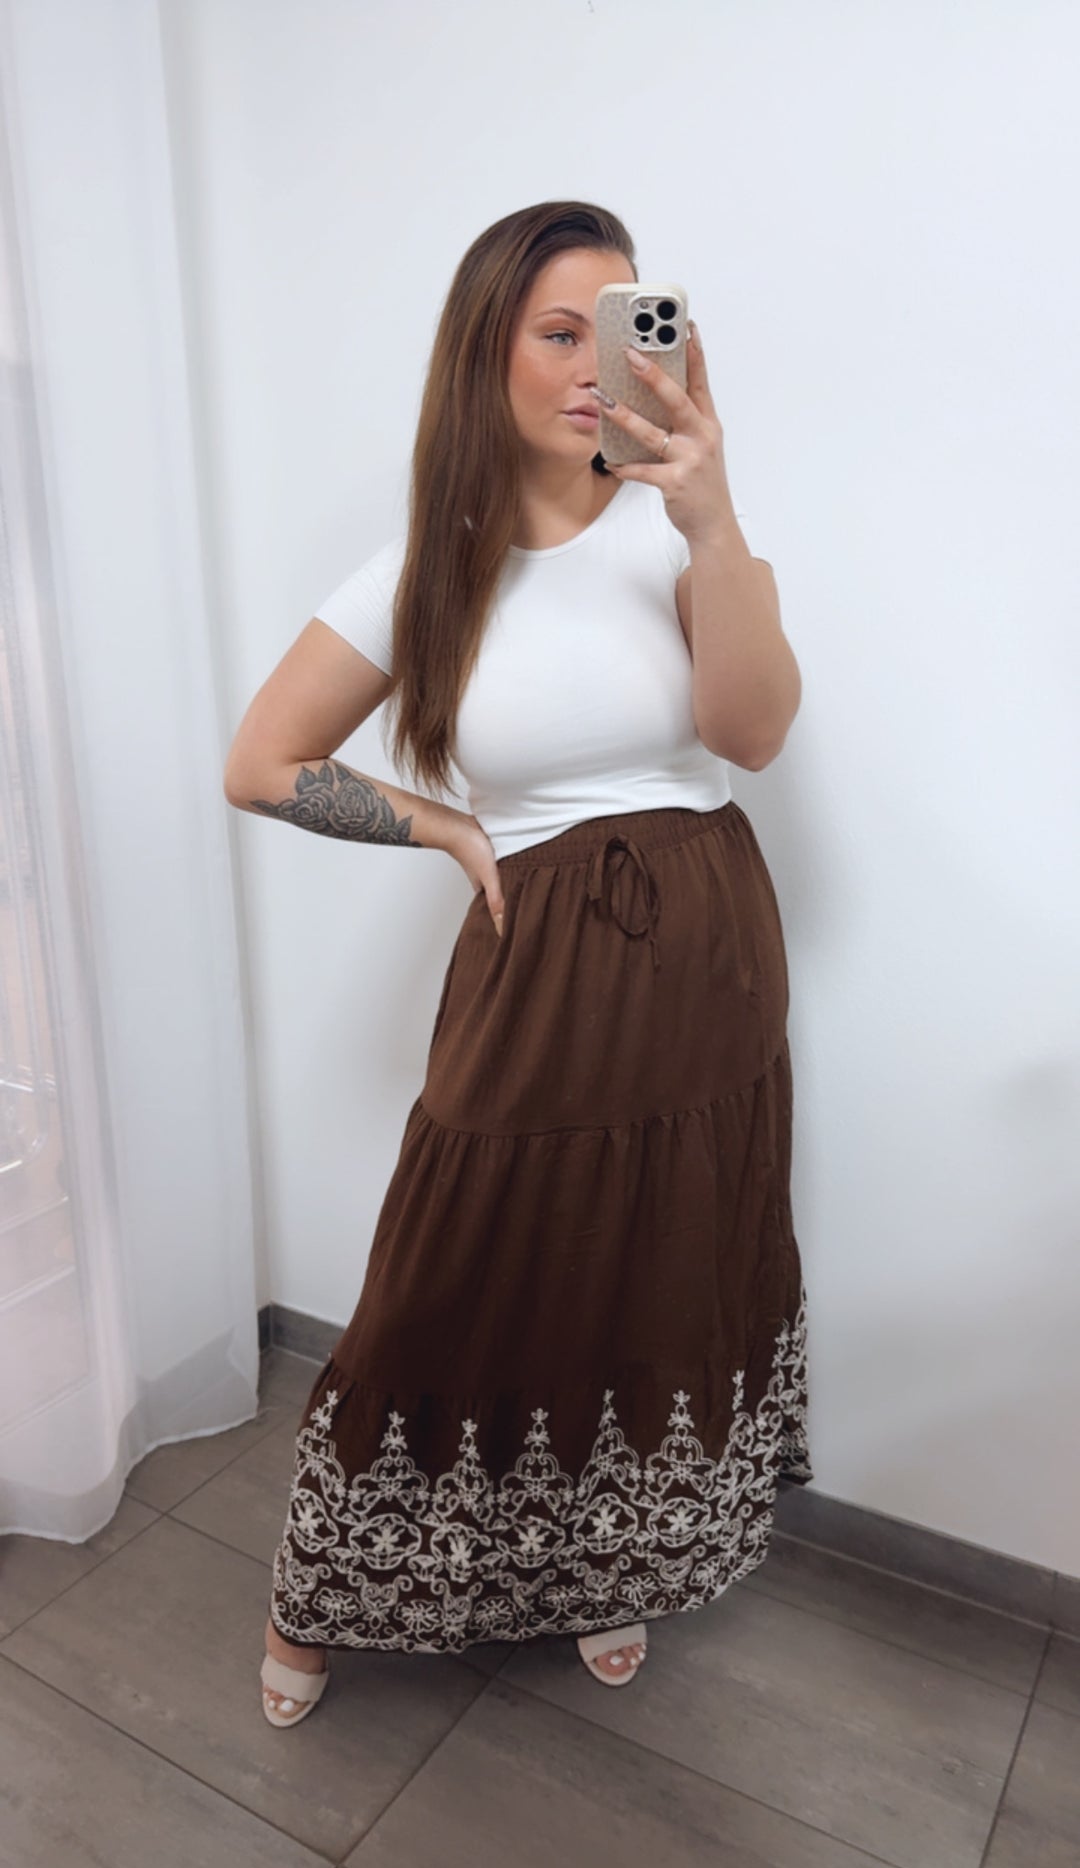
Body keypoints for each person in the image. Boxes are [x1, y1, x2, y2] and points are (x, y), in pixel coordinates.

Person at [223, 200, 812, 1725]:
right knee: (452, 1271)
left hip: (711, 955)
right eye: (562, 332)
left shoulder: (680, 534)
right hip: (539, 967)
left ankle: (607, 1568)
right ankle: (323, 1587)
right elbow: (262, 762)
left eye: (621, 329)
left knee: (659, 1270)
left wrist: (714, 519)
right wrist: (440, 827)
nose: (595, 367)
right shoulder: (427, 566)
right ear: (488, 351)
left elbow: (752, 736)